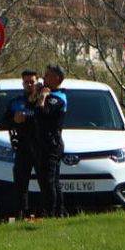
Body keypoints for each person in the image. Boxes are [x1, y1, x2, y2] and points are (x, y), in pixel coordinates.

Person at [34, 63, 69, 217]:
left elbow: (43, 114)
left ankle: (51, 213)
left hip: (52, 144)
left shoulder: (57, 98)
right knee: (49, 180)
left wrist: (42, 97)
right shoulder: (48, 95)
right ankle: (58, 212)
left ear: (56, 78)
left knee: (49, 181)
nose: (44, 77)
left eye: (47, 75)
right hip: (43, 143)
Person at [7, 69, 40, 221]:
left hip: (41, 147)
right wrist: (14, 120)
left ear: (37, 82)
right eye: (26, 82)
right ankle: (21, 216)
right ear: (22, 83)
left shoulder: (43, 99)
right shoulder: (16, 102)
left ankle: (45, 214)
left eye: (32, 82)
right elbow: (3, 121)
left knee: (46, 184)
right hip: (23, 146)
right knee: (20, 185)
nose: (29, 85)